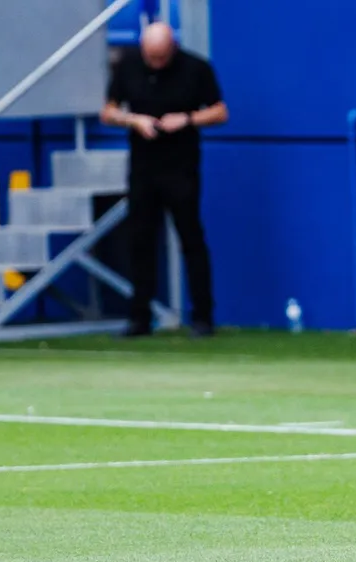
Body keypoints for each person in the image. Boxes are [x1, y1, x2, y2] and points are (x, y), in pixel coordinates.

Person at [100, 22, 228, 338]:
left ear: (172, 48)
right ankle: (139, 317)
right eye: (151, 57)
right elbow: (108, 111)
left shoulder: (196, 68)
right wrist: (134, 120)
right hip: (143, 166)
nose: (156, 62)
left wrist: (186, 119)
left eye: (161, 56)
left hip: (181, 167)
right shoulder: (128, 65)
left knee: (191, 238)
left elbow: (220, 112)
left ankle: (203, 316)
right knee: (140, 240)